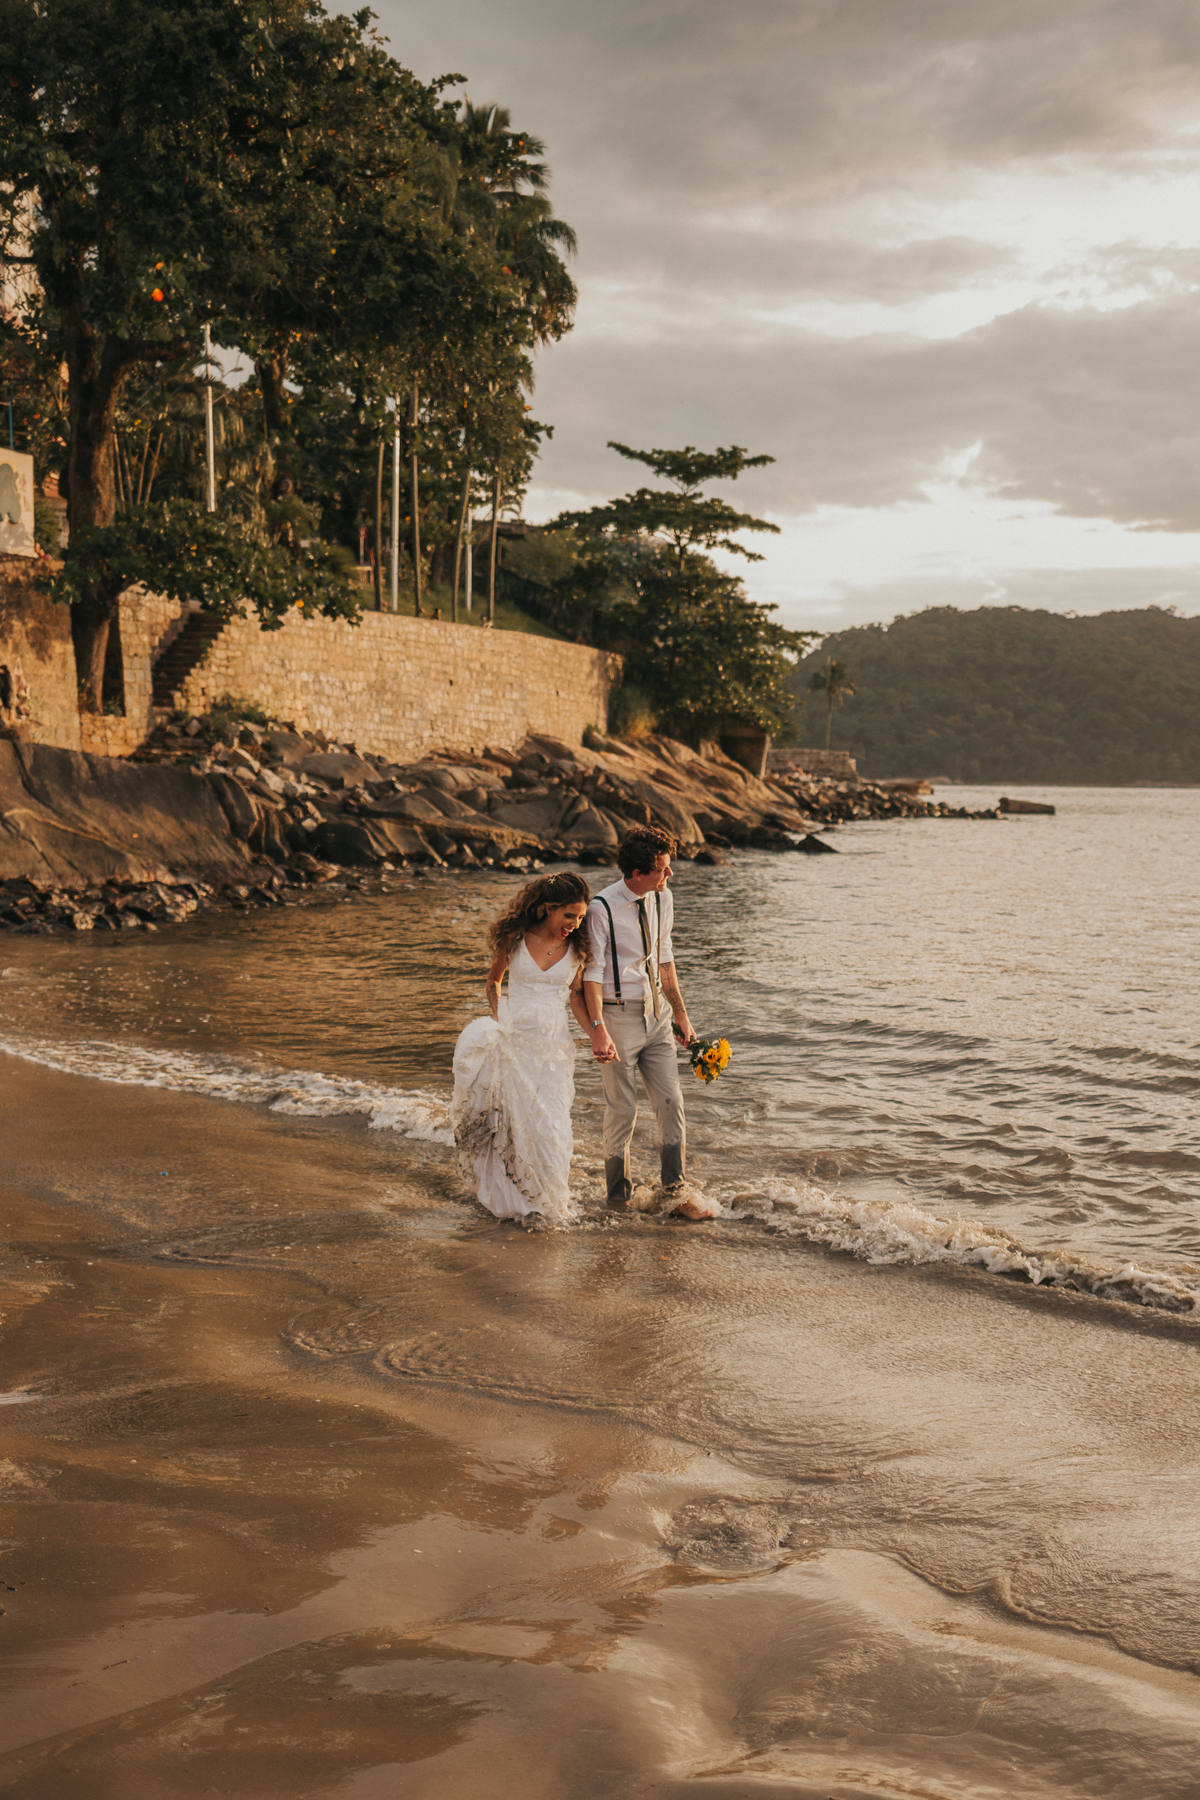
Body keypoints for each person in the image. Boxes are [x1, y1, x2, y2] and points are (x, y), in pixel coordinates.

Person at [583, 827, 716, 1221]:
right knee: (622, 1111)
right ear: (637, 873)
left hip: (658, 1016)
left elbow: (665, 957)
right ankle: (618, 1199)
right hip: (617, 1016)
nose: (669, 874)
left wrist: (680, 1013)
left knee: (672, 1102)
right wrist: (597, 1029)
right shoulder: (601, 909)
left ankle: (675, 1193)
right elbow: (592, 974)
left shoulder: (663, 897)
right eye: (662, 869)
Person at [451, 871, 595, 1226]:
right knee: (512, 1122)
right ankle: (512, 1198)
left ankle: (549, 1199)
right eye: (569, 915)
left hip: (553, 1049)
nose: (575, 925)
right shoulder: (514, 938)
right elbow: (494, 981)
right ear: (548, 908)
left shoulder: (578, 949)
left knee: (551, 1125)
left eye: (580, 918)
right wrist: (499, 1016)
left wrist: (597, 1035)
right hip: (513, 1042)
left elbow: (577, 998)